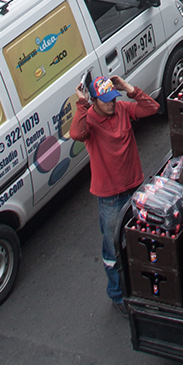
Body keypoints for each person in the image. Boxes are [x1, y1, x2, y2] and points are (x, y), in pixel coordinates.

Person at [69, 75, 159, 315]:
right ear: (95, 100)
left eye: (112, 98)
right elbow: (76, 133)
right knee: (112, 248)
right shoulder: (89, 120)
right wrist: (80, 103)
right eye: (106, 100)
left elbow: (152, 108)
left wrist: (129, 88)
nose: (111, 104)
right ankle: (117, 294)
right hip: (110, 197)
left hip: (134, 186)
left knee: (140, 239)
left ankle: (141, 285)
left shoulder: (122, 108)